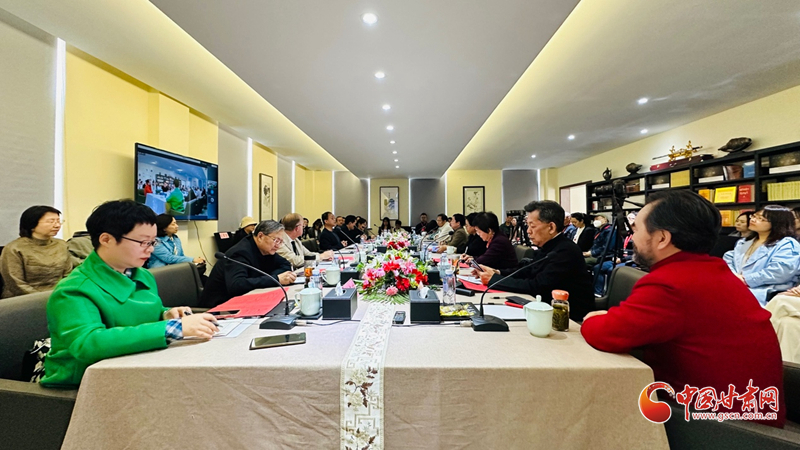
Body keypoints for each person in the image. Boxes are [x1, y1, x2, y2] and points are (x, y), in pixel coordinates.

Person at [581, 190, 785, 428]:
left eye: (636, 229)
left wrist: (593, 318)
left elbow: (604, 333)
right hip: (751, 418)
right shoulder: (714, 271)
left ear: (662, 238)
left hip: (719, 428)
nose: (631, 237)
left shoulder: (671, 284)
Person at [41, 200, 218, 387]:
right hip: (84, 384)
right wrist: (172, 328)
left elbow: (142, 312)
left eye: (153, 242)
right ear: (106, 240)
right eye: (143, 242)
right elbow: (87, 344)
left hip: (138, 367)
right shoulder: (73, 290)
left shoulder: (140, 274)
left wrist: (166, 313)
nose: (150, 249)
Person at [473, 201, 594, 321]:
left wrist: (493, 280)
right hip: (545, 310)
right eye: (527, 225)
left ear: (551, 227)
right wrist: (497, 272)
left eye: (533, 226)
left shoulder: (565, 251)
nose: (528, 231)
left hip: (569, 319)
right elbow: (527, 271)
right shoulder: (548, 246)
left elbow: (538, 286)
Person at [200, 220, 295, 308]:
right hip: (220, 306)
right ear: (260, 236)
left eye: (280, 242)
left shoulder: (266, 250)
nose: (278, 246)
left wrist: (272, 278)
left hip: (247, 299)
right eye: (276, 240)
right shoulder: (240, 253)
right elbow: (237, 285)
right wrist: (275, 279)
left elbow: (286, 265)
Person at [723, 205, 800, 306]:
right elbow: (729, 259)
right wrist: (734, 277)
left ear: (776, 223)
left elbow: (779, 272)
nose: (753, 220)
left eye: (761, 219)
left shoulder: (787, 244)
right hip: (737, 286)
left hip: (766, 292)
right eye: (754, 216)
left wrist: (746, 279)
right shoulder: (745, 241)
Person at [1, 206, 72, 298]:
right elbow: (16, 284)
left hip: (58, 295)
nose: (57, 225)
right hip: (23, 299)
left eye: (58, 221)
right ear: (32, 224)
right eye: (51, 221)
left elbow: (68, 275)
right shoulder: (14, 248)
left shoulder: (61, 245)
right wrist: (42, 298)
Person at [593, 213, 637, 295]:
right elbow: (619, 249)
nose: (628, 221)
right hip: (619, 258)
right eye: (627, 218)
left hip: (630, 260)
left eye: (631, 218)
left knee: (612, 270)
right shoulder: (625, 234)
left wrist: (623, 259)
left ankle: (610, 293)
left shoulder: (638, 235)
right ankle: (598, 293)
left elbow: (637, 254)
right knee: (598, 268)